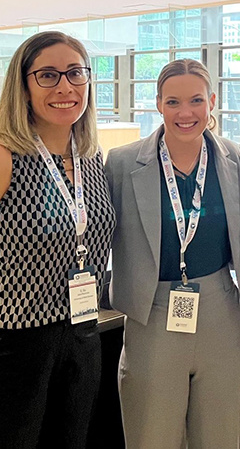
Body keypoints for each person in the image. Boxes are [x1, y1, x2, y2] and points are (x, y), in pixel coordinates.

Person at [105, 58, 240, 448]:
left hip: (220, 307)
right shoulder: (120, 163)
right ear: (157, 104)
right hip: (151, 312)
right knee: (151, 434)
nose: (185, 113)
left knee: (219, 435)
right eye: (173, 102)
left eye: (196, 100)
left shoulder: (236, 159)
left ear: (212, 102)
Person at [0, 31, 115, 448]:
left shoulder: (91, 159)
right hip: (17, 337)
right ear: (23, 85)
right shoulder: (6, 156)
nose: (65, 87)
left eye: (76, 73)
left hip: (84, 329)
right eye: (47, 75)